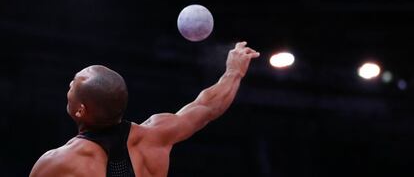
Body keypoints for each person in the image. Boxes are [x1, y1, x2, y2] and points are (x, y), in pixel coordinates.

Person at [29, 42, 260, 177]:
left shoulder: (58, 163)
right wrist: (234, 71)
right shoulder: (154, 137)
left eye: (73, 85)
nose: (69, 86)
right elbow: (207, 106)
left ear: (80, 110)